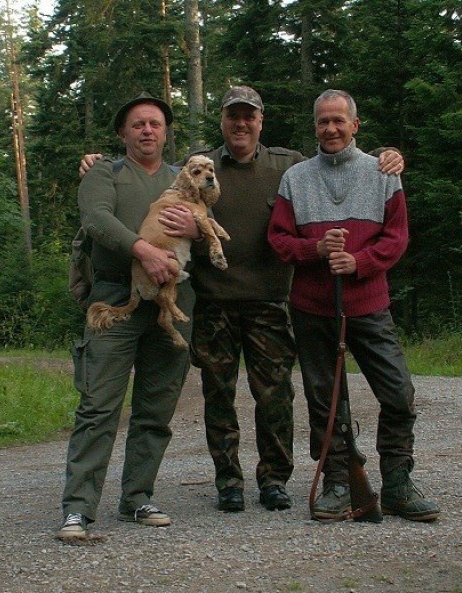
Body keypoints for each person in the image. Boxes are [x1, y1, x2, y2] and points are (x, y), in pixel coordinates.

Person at [79, 85, 405, 514]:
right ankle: (228, 481)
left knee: (275, 397)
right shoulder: (199, 165)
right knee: (218, 396)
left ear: (260, 121)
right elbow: (150, 171)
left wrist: (386, 154)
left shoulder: (288, 165)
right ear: (222, 121)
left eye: (249, 115)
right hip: (214, 301)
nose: (241, 123)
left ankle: (274, 480)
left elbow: (335, 157)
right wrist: (97, 162)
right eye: (233, 115)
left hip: (269, 302)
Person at [268, 89, 440, 522]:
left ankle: (397, 482)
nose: (330, 129)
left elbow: (397, 237)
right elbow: (279, 239)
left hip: (369, 305)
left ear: (355, 125)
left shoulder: (382, 172)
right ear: (315, 127)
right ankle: (338, 482)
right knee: (325, 401)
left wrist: (360, 262)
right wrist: (315, 249)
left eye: (338, 120)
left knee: (398, 393)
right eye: (323, 121)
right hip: (312, 307)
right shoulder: (295, 178)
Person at [58, 92, 200, 540]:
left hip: (173, 299)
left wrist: (196, 230)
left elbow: (211, 217)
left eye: (155, 123)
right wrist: (143, 251)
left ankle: (137, 498)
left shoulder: (182, 178)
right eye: (138, 124)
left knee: (156, 407)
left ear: (166, 132)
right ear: (123, 133)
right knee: (98, 406)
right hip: (115, 298)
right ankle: (78, 509)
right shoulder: (105, 173)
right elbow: (96, 218)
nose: (147, 131)